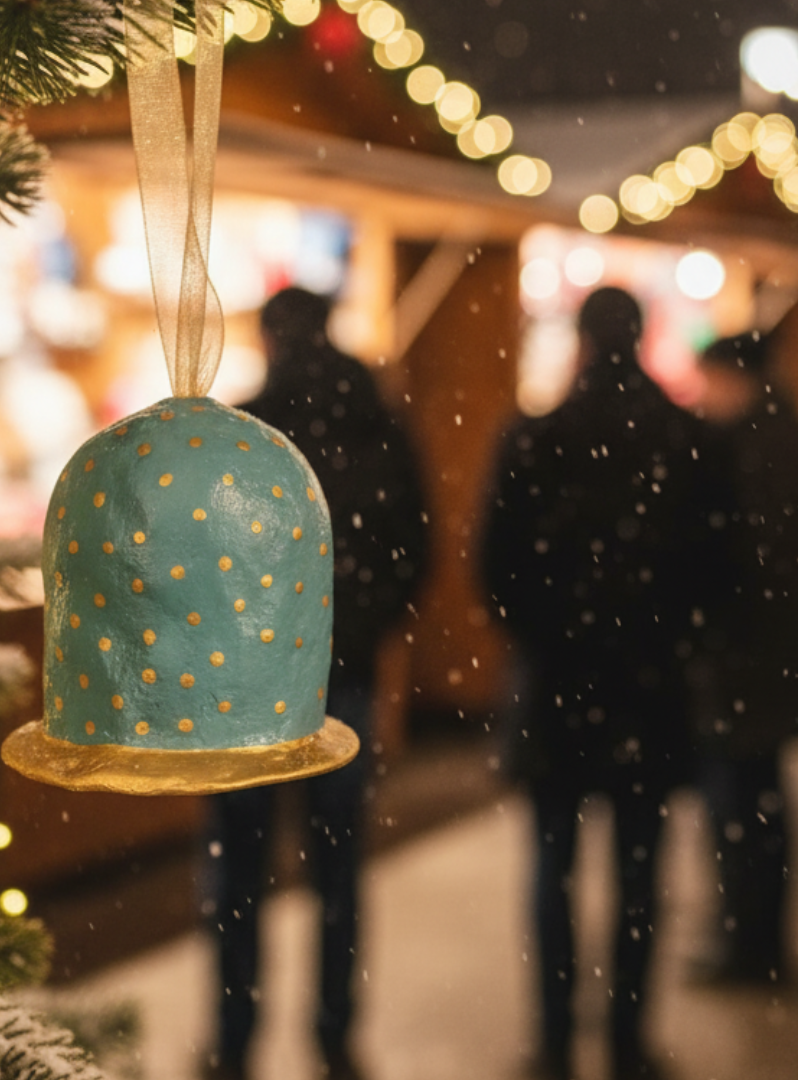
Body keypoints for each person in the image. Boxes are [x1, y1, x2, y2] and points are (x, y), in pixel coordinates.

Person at [481, 288, 734, 1080]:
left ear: (585, 341)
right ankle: (627, 1041)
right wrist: (668, 638)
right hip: (651, 694)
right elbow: (720, 570)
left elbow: (495, 566)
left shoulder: (535, 436)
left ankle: (555, 1041)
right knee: (640, 874)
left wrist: (547, 634)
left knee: (551, 872)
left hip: (558, 686)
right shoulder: (688, 439)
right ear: (642, 337)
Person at [206, 286, 430, 1080]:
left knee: (239, 868)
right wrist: (359, 632)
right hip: (346, 676)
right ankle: (335, 1034)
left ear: (270, 338)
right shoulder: (379, 421)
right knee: (338, 866)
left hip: (243, 692)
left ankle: (235, 1037)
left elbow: (206, 562)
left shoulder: (245, 430)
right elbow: (414, 545)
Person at [688, 331, 798, 984]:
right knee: (761, 803)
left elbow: (741, 562)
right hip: (774, 656)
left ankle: (746, 944)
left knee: (738, 804)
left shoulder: (748, 448)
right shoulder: (783, 436)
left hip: (743, 658)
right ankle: (757, 940)